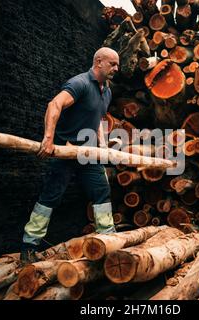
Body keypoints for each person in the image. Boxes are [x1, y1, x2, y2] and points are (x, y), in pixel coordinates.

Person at [20, 47, 120, 263]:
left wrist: (102, 145)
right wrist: (48, 139)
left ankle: (109, 240)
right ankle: (29, 247)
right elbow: (54, 104)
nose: (116, 68)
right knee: (50, 196)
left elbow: (97, 120)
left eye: (117, 64)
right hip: (65, 152)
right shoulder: (80, 83)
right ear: (98, 62)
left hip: (88, 154)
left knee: (102, 192)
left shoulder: (107, 91)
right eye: (112, 64)